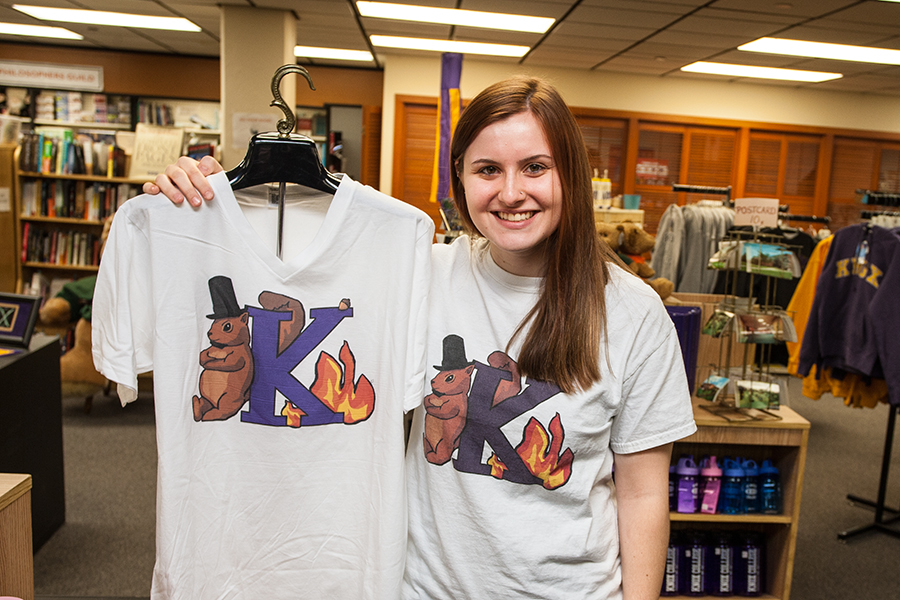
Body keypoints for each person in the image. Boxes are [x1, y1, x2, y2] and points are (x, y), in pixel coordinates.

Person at [144, 76, 696, 599]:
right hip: (424, 588)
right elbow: (283, 272)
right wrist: (210, 203)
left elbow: (643, 493)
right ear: (460, 179)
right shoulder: (416, 272)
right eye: (487, 170)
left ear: (570, 174)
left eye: (535, 168)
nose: (510, 192)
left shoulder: (633, 314)